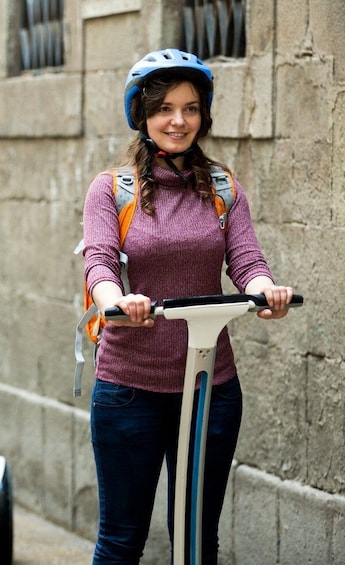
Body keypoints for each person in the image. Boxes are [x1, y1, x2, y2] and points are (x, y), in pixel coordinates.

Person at [81, 48, 294, 564]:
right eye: (164, 109)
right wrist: (118, 301)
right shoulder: (111, 189)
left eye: (191, 108)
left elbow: (247, 261)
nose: (178, 121)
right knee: (120, 540)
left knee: (197, 537)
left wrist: (266, 290)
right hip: (129, 389)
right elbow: (100, 264)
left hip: (210, 390)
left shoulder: (222, 186)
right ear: (143, 116)